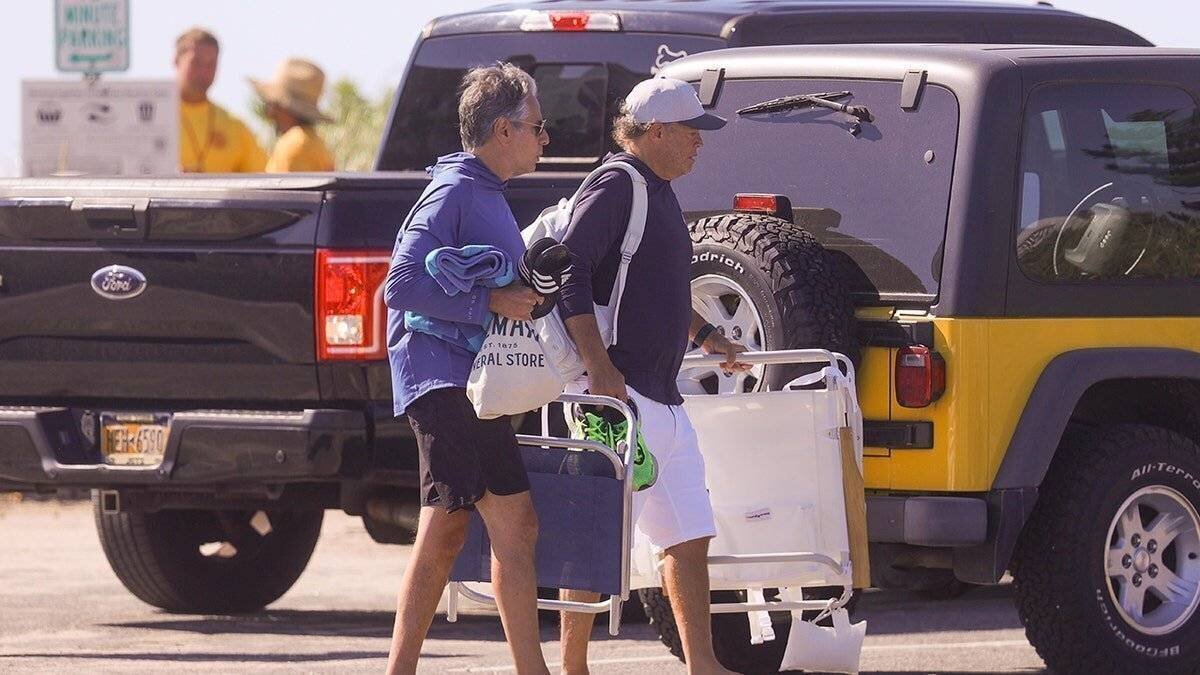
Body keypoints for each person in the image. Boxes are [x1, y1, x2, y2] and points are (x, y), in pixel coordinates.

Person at [557, 78, 748, 675]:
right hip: (616, 395)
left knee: (690, 536)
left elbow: (656, 289)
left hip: (663, 398)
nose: (700, 143)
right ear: (657, 132)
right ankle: (572, 665)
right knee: (597, 534)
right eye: (692, 132)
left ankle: (703, 665)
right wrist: (599, 368)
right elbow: (567, 272)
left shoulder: (658, 190)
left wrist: (707, 336)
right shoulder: (617, 183)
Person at [383, 63, 551, 675]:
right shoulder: (455, 189)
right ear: (503, 130)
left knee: (515, 522)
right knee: (451, 524)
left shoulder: (484, 191)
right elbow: (397, 286)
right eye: (539, 126)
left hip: (473, 381)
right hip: (441, 378)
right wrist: (489, 301)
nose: (545, 139)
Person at [174, 27, 267, 173]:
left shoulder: (235, 126)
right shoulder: (151, 119)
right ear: (176, 61)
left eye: (211, 64)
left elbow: (262, 180)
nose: (203, 72)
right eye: (196, 63)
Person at [250, 58, 336, 172]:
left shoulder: (293, 146)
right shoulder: (315, 144)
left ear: (286, 108)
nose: (269, 113)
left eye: (273, 104)